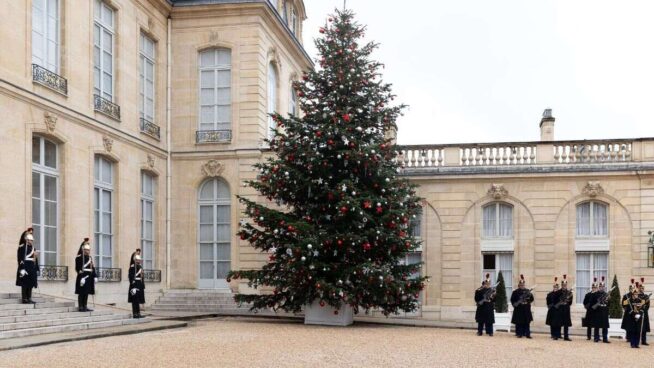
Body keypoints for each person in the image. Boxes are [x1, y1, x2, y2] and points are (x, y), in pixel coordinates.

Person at [16, 230, 39, 304]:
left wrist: (36, 268)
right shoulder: (22, 247)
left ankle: (29, 297)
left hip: (32, 267)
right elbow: (20, 258)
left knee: (31, 282)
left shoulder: (33, 248)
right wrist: (22, 268)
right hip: (25, 266)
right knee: (25, 283)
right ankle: (24, 298)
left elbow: (35, 259)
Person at [75, 238, 97, 312]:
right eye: (86, 250)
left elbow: (92, 267)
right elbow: (77, 268)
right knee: (81, 292)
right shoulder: (79, 258)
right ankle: (80, 306)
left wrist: (95, 276)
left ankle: (85, 305)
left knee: (87, 292)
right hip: (82, 276)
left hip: (89, 276)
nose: (88, 251)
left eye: (88, 250)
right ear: (83, 250)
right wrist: (81, 276)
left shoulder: (90, 258)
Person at [510, 274, 534, 338]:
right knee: (519, 322)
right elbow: (512, 300)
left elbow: (532, 299)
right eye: (521, 285)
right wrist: (516, 303)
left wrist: (529, 296)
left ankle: (527, 334)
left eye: (523, 285)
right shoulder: (515, 292)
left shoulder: (527, 291)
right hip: (519, 309)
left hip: (526, 308)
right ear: (519, 285)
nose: (522, 286)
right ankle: (519, 334)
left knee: (527, 322)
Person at [623, 280, 645, 348]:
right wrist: (633, 314)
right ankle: (632, 344)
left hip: (638, 318)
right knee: (633, 331)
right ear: (632, 294)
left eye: (636, 294)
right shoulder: (629, 301)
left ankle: (637, 344)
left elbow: (642, 308)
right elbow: (625, 306)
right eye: (634, 294)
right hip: (632, 318)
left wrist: (640, 314)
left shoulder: (640, 300)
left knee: (638, 331)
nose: (636, 295)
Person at [591, 276, 610, 343]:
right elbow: (592, 304)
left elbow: (608, 304)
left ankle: (605, 338)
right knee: (597, 326)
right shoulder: (595, 294)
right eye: (600, 286)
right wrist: (597, 304)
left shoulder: (606, 294)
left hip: (604, 311)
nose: (602, 287)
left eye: (603, 286)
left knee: (605, 326)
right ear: (599, 287)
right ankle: (596, 338)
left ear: (604, 287)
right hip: (597, 311)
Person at [639, 278, 650, 346]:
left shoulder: (646, 296)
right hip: (639, 312)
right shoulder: (637, 295)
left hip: (644, 312)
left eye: (643, 288)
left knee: (644, 328)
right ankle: (637, 340)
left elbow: (648, 305)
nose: (642, 289)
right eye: (641, 288)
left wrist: (644, 308)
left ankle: (644, 340)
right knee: (638, 327)